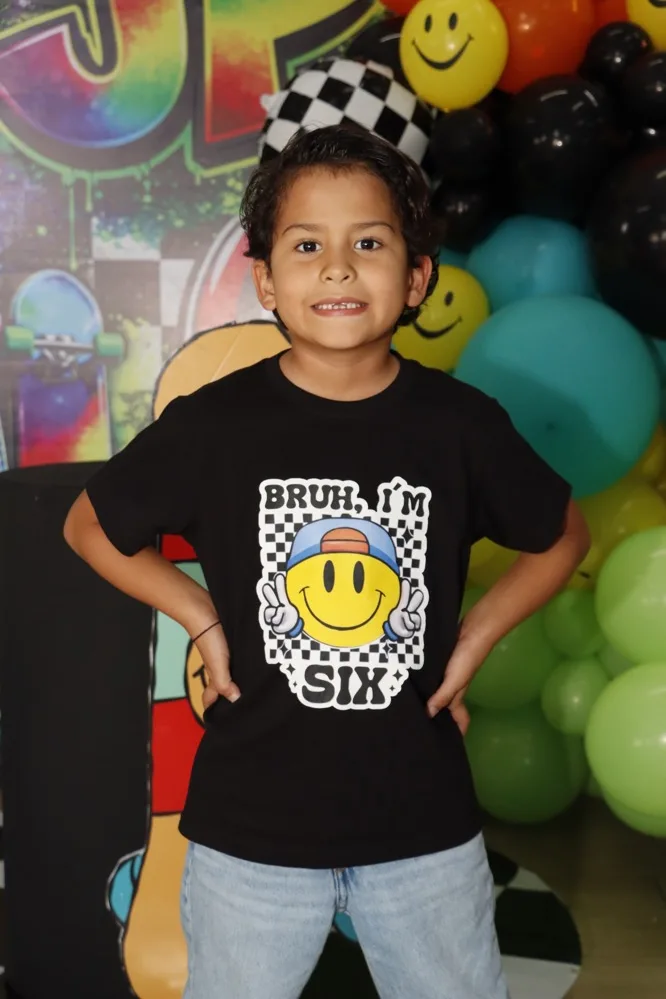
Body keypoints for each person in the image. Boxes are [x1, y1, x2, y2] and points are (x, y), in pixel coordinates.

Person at [64, 123, 590, 999]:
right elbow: (89, 525)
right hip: (249, 837)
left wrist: (471, 642)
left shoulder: (460, 425)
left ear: (417, 277)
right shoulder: (216, 423)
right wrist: (202, 617)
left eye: (369, 243)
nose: (338, 268)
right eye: (307, 245)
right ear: (266, 279)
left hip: (423, 832)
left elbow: (562, 533)